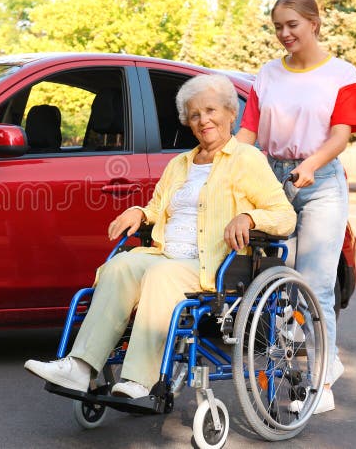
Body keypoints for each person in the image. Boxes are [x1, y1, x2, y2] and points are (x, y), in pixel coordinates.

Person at [24, 74, 297, 399]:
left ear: (229, 113)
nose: (203, 120)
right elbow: (158, 206)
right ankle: (80, 368)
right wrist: (140, 212)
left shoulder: (247, 159)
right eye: (195, 115)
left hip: (212, 264)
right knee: (120, 266)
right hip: (167, 256)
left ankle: (140, 379)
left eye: (211, 110)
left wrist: (250, 216)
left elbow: (284, 216)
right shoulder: (179, 164)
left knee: (160, 275)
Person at [236, 0, 356, 414]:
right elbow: (249, 132)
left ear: (314, 22)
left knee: (314, 283)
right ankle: (308, 361)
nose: (284, 34)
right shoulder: (268, 74)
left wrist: (311, 164)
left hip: (320, 180)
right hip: (272, 176)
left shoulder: (341, 73)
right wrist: (222, 164)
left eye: (292, 25)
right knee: (273, 285)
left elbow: (341, 135)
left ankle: (321, 382)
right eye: (277, 27)